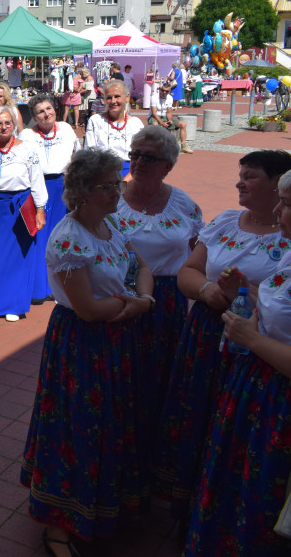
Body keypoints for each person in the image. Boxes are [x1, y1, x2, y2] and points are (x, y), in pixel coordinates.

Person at [186, 165, 291, 556]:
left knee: (266, 498)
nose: (279, 211)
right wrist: (247, 293)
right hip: (260, 392)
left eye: (287, 203)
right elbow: (285, 312)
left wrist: (252, 339)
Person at [20, 148, 155, 557]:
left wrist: (143, 300)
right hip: (82, 344)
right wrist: (131, 305)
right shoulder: (69, 237)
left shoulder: (110, 225)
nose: (118, 192)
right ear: (81, 192)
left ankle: (103, 507)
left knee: (111, 422)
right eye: (109, 186)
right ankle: (58, 527)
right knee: (77, 427)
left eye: (119, 183)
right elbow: (88, 309)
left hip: (114, 338)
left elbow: (142, 267)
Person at [152, 150, 291, 521]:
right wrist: (209, 292)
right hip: (205, 335)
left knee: (234, 425)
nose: (239, 183)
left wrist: (246, 296)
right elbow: (189, 271)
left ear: (278, 184)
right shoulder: (226, 222)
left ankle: (222, 506)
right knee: (196, 412)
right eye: (240, 174)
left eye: (250, 176)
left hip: (255, 348)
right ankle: (187, 497)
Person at [116, 127, 204, 437]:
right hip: (121, 299)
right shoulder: (110, 201)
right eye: (135, 155)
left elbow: (199, 256)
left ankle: (157, 442)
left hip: (168, 303)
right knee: (123, 377)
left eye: (148, 157)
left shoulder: (185, 205)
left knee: (163, 376)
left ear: (168, 165)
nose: (138, 163)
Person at [0, 105, 47, 321]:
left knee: (20, 256)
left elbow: (37, 179)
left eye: (7, 123)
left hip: (21, 206)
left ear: (14, 125)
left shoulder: (27, 149)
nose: (3, 127)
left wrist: (40, 209)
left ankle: (15, 305)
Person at [19, 94, 80, 303]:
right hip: (37, 189)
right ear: (34, 118)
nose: (46, 114)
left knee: (61, 237)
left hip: (62, 188)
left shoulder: (66, 129)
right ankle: (38, 287)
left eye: (49, 109)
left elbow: (77, 157)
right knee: (39, 237)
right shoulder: (26, 135)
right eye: (40, 112)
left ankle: (59, 285)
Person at [84, 80, 145, 178]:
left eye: (117, 96)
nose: (113, 101)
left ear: (127, 97)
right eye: (109, 97)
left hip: (131, 175)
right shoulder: (96, 121)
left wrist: (125, 181)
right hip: (102, 175)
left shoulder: (135, 123)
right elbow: (89, 155)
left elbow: (142, 158)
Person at [148, 82, 194, 154]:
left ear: (169, 91)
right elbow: (154, 113)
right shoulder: (154, 97)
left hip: (165, 116)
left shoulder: (170, 98)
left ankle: (184, 146)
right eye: (162, 90)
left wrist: (169, 120)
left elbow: (169, 112)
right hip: (155, 116)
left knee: (183, 124)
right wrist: (162, 123)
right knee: (155, 125)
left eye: (166, 91)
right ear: (160, 89)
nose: (164, 92)